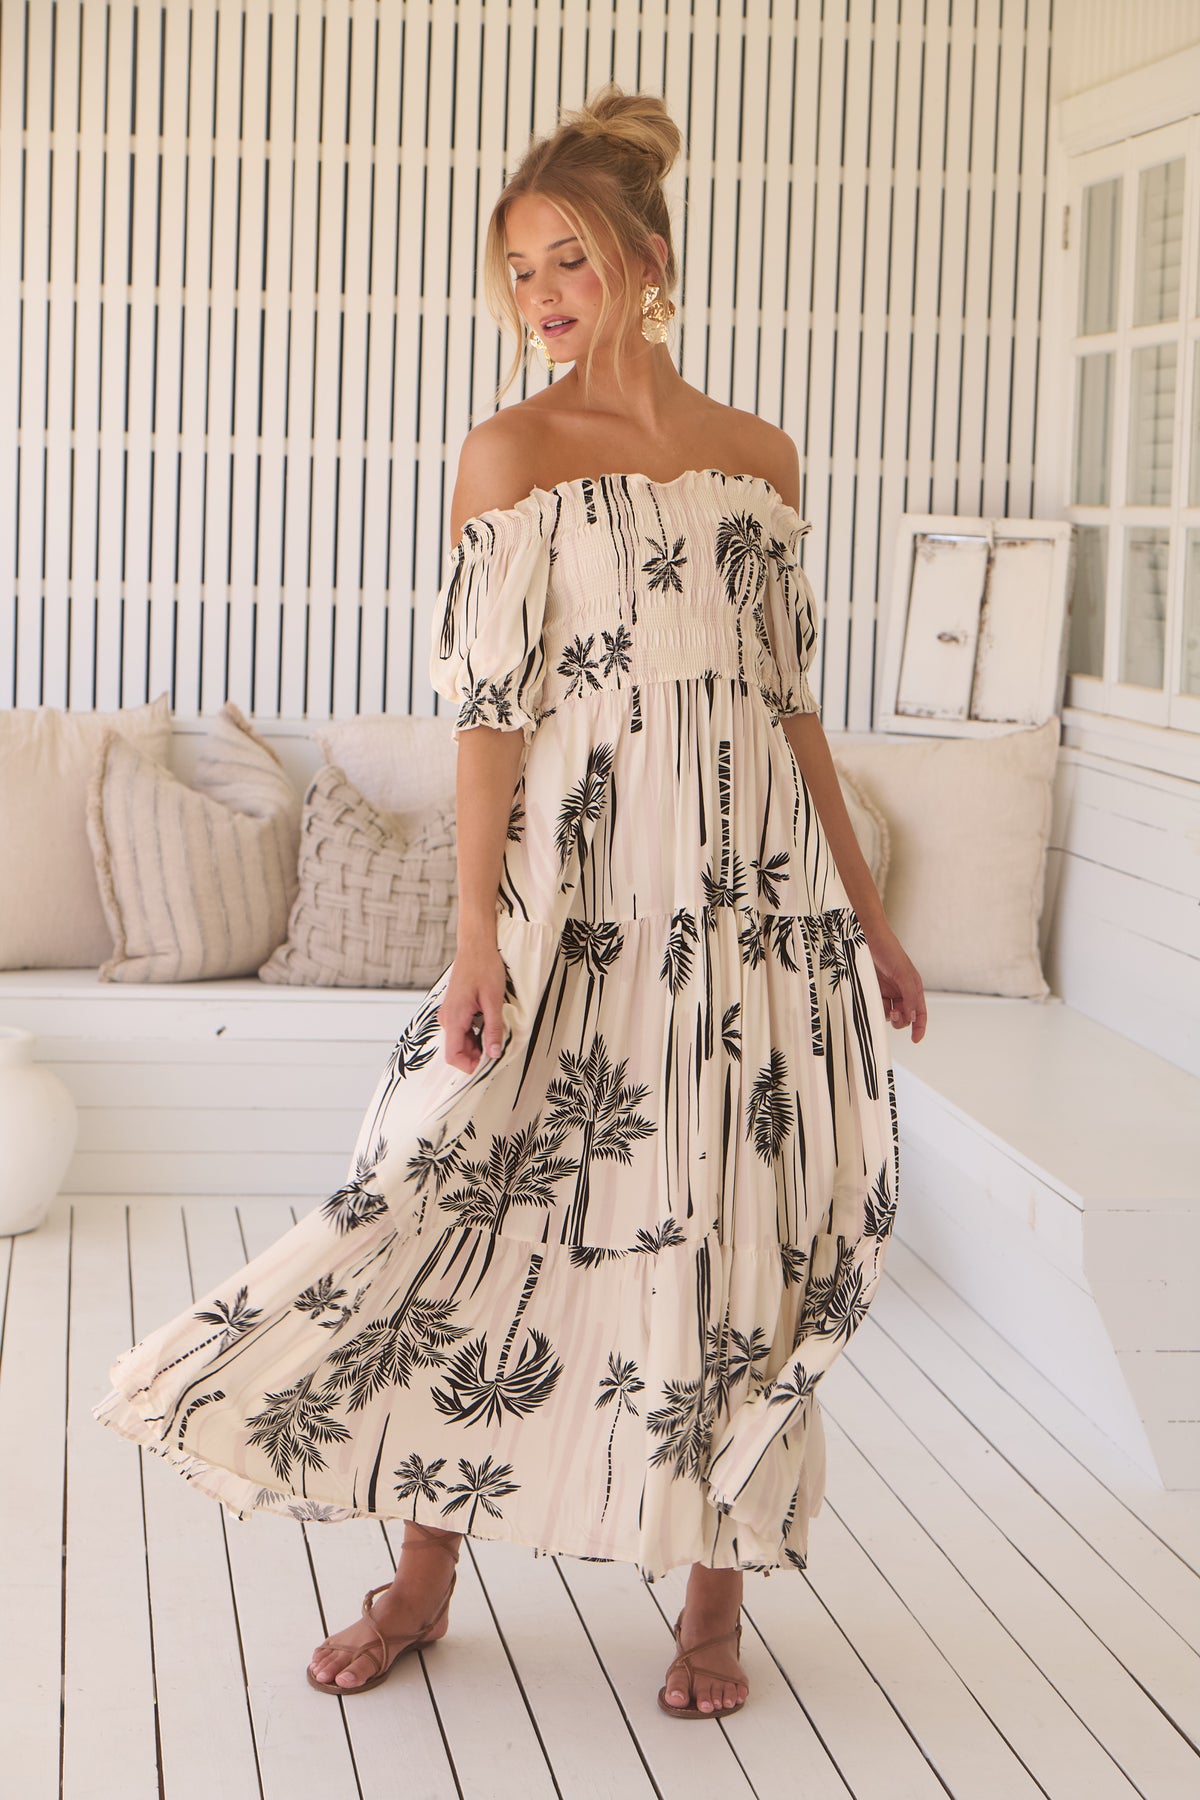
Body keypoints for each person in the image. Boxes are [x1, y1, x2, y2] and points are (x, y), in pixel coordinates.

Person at [93, 81, 926, 1723]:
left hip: (748, 915)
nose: (541, 297)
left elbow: (792, 708)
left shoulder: (761, 460)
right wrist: (477, 938)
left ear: (649, 262)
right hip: (581, 904)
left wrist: (869, 919)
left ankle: (711, 1601)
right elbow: (489, 719)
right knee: (475, 1188)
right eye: (520, 269)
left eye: (571, 261)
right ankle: (419, 1579)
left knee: (728, 1219)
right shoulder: (511, 455)